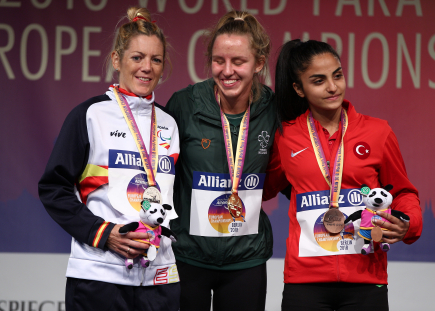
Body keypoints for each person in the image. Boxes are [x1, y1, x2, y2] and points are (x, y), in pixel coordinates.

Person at [263, 39, 423, 311]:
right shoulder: (286, 135)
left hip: (366, 277)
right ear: (298, 89)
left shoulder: (378, 132)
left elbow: (403, 192)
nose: (332, 86)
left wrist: (410, 223)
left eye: (337, 75)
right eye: (318, 80)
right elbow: (263, 188)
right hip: (305, 282)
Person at [38, 7, 180, 311]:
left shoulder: (169, 124)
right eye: (137, 57)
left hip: (160, 279)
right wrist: (104, 234)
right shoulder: (90, 115)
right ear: (117, 59)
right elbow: (53, 188)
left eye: (156, 60)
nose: (147, 67)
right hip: (98, 277)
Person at [165, 10, 276, 311]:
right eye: (218, 60)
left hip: (246, 258)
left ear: (259, 64)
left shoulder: (272, 110)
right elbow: (161, 175)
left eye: (238, 61)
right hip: (188, 255)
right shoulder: (184, 104)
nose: (227, 71)